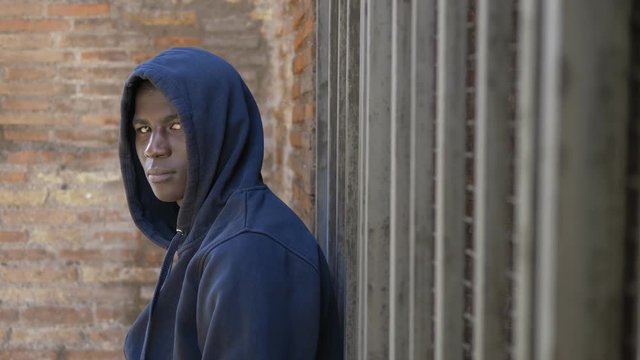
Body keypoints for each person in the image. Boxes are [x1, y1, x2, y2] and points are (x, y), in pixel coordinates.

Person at [118, 47, 342, 359]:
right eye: (143, 129)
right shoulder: (209, 232)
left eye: (176, 126)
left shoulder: (249, 251)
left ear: (218, 129)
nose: (153, 149)